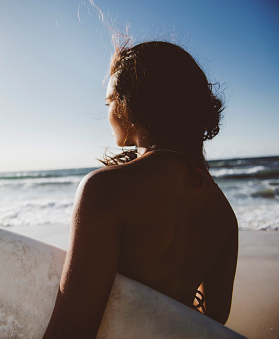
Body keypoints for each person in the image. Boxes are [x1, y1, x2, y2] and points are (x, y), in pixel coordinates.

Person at [42, 41, 238, 338]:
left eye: (109, 102)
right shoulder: (223, 213)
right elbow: (213, 319)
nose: (108, 112)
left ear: (131, 104)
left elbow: (70, 331)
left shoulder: (105, 190)